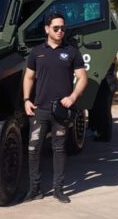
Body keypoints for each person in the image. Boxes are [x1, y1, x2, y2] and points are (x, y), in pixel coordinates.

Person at [22, 12, 88, 204]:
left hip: (61, 111)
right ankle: (34, 189)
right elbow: (28, 77)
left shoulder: (71, 51)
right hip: (39, 109)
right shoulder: (36, 52)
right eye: (56, 28)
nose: (60, 31)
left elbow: (82, 78)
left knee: (59, 149)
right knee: (33, 148)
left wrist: (73, 96)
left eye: (63, 28)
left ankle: (58, 190)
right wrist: (26, 99)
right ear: (47, 29)